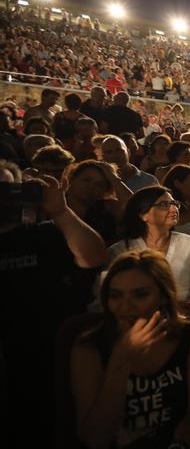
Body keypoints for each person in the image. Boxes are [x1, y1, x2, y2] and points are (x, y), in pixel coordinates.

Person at [0, 170, 108, 447]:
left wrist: (61, 212)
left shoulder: (47, 234)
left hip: (51, 352)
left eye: (7, 187)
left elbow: (94, 257)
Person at [70, 250, 190, 449]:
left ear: (163, 296)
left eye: (140, 294)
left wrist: (181, 444)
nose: (125, 306)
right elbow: (95, 439)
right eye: (115, 295)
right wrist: (119, 363)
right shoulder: (89, 348)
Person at [110, 186, 190, 304]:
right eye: (164, 205)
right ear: (143, 215)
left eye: (175, 203)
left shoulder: (187, 243)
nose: (174, 209)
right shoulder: (121, 250)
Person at [65, 159, 133, 245]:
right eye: (86, 180)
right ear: (72, 179)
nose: (91, 186)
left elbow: (134, 206)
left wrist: (113, 178)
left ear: (105, 190)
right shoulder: (57, 203)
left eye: (99, 185)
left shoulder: (109, 207)